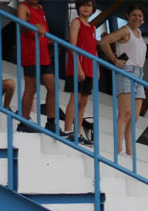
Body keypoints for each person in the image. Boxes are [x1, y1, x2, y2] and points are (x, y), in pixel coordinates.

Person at [98, 3, 148, 157]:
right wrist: (114, 60)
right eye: (134, 15)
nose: (137, 18)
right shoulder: (125, 30)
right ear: (127, 16)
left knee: (134, 116)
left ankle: (130, 151)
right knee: (125, 113)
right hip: (127, 72)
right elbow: (104, 41)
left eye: (139, 15)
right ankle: (119, 149)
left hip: (139, 75)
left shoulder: (138, 32)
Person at [17, 1, 58, 133]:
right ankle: (23, 122)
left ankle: (51, 123)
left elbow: (42, 31)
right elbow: (21, 26)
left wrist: (47, 40)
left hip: (43, 55)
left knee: (52, 86)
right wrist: (35, 27)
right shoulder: (23, 7)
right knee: (31, 87)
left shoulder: (40, 8)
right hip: (30, 54)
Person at [60, 0, 98, 144]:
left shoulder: (93, 27)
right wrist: (79, 68)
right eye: (83, 5)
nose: (86, 8)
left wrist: (97, 67)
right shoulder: (76, 22)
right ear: (78, 7)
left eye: (88, 5)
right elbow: (72, 46)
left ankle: (78, 131)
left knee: (84, 101)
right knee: (75, 98)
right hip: (78, 66)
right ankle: (68, 129)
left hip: (89, 67)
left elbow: (94, 50)